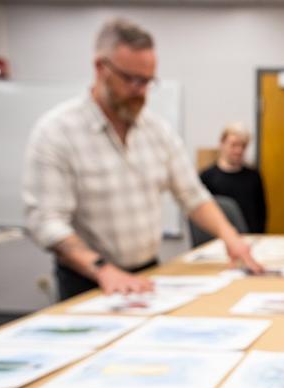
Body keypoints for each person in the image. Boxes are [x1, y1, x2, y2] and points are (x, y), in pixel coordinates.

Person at [22, 18, 262, 301]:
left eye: (147, 81)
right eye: (130, 79)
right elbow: (46, 221)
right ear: (101, 68)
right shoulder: (57, 132)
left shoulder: (157, 131)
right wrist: (102, 269)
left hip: (148, 272)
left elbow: (192, 195)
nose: (140, 90)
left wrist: (230, 237)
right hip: (88, 279)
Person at [199, 123, 267, 233]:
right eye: (234, 145)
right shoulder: (207, 177)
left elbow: (261, 213)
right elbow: (201, 214)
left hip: (249, 240)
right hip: (217, 241)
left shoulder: (253, 176)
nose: (238, 150)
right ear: (222, 144)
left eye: (243, 146)